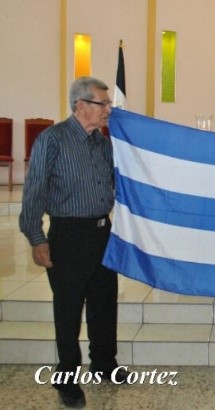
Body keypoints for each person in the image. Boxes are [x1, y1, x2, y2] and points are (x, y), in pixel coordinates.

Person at [19, 77, 128, 408]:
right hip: (68, 234)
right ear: (81, 105)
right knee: (68, 307)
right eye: (103, 103)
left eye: (109, 104)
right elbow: (34, 190)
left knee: (104, 301)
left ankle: (104, 364)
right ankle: (66, 377)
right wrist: (36, 237)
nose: (108, 110)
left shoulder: (103, 144)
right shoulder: (52, 140)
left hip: (102, 232)